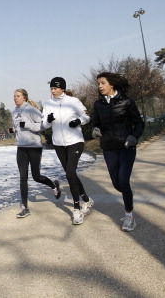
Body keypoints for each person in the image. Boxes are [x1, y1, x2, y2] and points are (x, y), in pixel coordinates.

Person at [92, 72, 145, 232]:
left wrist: (134, 137)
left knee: (123, 180)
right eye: (99, 84)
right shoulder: (97, 104)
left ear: (111, 84)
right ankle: (127, 191)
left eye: (102, 83)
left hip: (126, 146)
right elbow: (96, 123)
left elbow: (139, 123)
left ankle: (129, 216)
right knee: (117, 184)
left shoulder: (127, 102)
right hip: (109, 147)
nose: (100, 86)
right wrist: (95, 130)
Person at [41, 77, 93, 225]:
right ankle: (87, 200)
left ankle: (77, 209)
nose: (53, 90)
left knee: (70, 173)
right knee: (71, 174)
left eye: (55, 88)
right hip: (59, 143)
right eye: (51, 88)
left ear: (62, 88)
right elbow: (43, 125)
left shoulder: (73, 101)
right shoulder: (48, 104)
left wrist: (79, 121)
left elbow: (87, 116)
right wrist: (48, 121)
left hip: (75, 141)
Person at [10, 89, 61, 218]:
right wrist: (14, 129)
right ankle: (25, 207)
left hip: (34, 147)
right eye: (14, 96)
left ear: (25, 98)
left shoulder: (32, 110)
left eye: (18, 96)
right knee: (23, 177)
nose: (15, 98)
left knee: (36, 176)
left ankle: (53, 185)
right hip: (21, 148)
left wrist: (26, 125)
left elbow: (43, 126)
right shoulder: (14, 112)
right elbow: (18, 127)